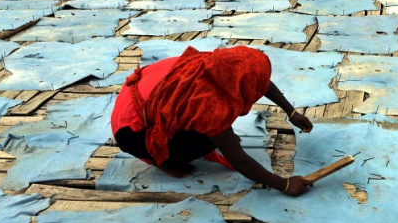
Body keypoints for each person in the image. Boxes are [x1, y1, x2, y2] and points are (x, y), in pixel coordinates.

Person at [110, 45, 314, 197]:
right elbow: (239, 160)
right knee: (210, 139)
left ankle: (186, 136)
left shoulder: (220, 64)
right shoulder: (208, 105)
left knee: (222, 130)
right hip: (131, 129)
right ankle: (161, 158)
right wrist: (284, 184)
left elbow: (260, 81)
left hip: (144, 96)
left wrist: (291, 112)